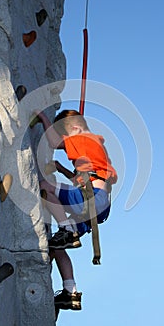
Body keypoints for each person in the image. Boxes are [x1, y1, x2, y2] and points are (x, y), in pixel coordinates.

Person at [34, 109, 118, 312]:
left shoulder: (82, 137)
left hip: (91, 199)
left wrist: (42, 116)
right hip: (98, 205)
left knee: (44, 187)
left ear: (74, 128)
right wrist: (61, 168)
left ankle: (67, 230)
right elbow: (83, 179)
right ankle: (70, 293)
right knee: (56, 246)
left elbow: (54, 142)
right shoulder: (93, 148)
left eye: (64, 133)